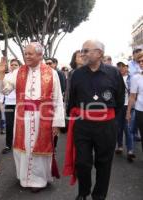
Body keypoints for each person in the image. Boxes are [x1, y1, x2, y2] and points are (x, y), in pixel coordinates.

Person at [0, 43, 65, 192]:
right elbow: (4, 90)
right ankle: (24, 178)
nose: (27, 56)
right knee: (23, 148)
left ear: (40, 55)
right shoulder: (19, 72)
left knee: (40, 150)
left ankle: (39, 180)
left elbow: (57, 99)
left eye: (30, 54)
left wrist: (57, 123)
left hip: (43, 116)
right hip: (22, 117)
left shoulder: (51, 73)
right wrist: (1, 75)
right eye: (25, 53)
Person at [64, 40, 125, 200]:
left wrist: (107, 117)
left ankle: (99, 196)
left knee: (103, 163)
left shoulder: (114, 73)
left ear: (99, 53)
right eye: (82, 50)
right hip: (83, 124)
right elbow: (72, 100)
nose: (82, 53)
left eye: (86, 50)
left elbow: (119, 100)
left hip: (106, 125)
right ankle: (83, 192)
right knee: (82, 162)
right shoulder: (76, 74)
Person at [115, 60, 135, 162]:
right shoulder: (115, 78)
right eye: (119, 66)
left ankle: (130, 150)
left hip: (129, 106)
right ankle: (120, 146)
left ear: (127, 67)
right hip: (119, 107)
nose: (121, 68)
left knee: (128, 129)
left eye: (123, 66)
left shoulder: (133, 78)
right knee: (118, 128)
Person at [2, 58, 21, 154]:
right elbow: (2, 90)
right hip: (9, 104)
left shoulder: (22, 76)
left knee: (19, 126)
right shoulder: (6, 76)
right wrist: (1, 102)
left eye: (15, 65)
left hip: (20, 105)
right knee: (9, 125)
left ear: (19, 66)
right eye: (12, 65)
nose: (13, 66)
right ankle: (8, 145)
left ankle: (20, 144)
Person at [126, 51, 143, 154]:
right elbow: (132, 97)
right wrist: (128, 112)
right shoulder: (136, 78)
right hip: (140, 110)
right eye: (139, 61)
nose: (141, 63)